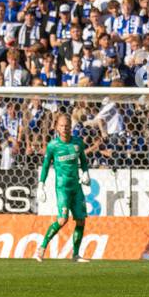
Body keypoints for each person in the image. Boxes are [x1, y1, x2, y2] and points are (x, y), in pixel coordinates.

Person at [36, 112, 90, 262]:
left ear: (71, 127)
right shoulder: (53, 146)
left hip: (76, 187)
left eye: (67, 126)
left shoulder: (78, 143)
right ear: (57, 127)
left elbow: (83, 161)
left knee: (81, 220)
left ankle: (76, 255)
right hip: (62, 189)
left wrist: (86, 173)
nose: (65, 128)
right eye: (62, 126)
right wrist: (41, 185)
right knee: (62, 220)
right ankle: (42, 248)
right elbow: (46, 166)